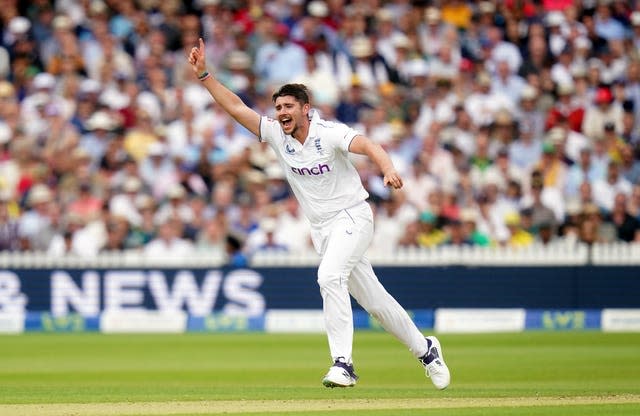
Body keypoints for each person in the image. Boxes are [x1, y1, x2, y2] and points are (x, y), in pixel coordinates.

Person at [188, 38, 450, 390]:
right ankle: (426, 349)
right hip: (323, 230)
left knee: (328, 277)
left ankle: (343, 363)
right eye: (277, 106)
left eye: (288, 106)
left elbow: (369, 145)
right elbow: (236, 108)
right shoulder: (278, 137)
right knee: (376, 303)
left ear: (306, 108)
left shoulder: (329, 134)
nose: (281, 112)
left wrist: (387, 169)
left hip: (353, 217)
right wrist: (205, 75)